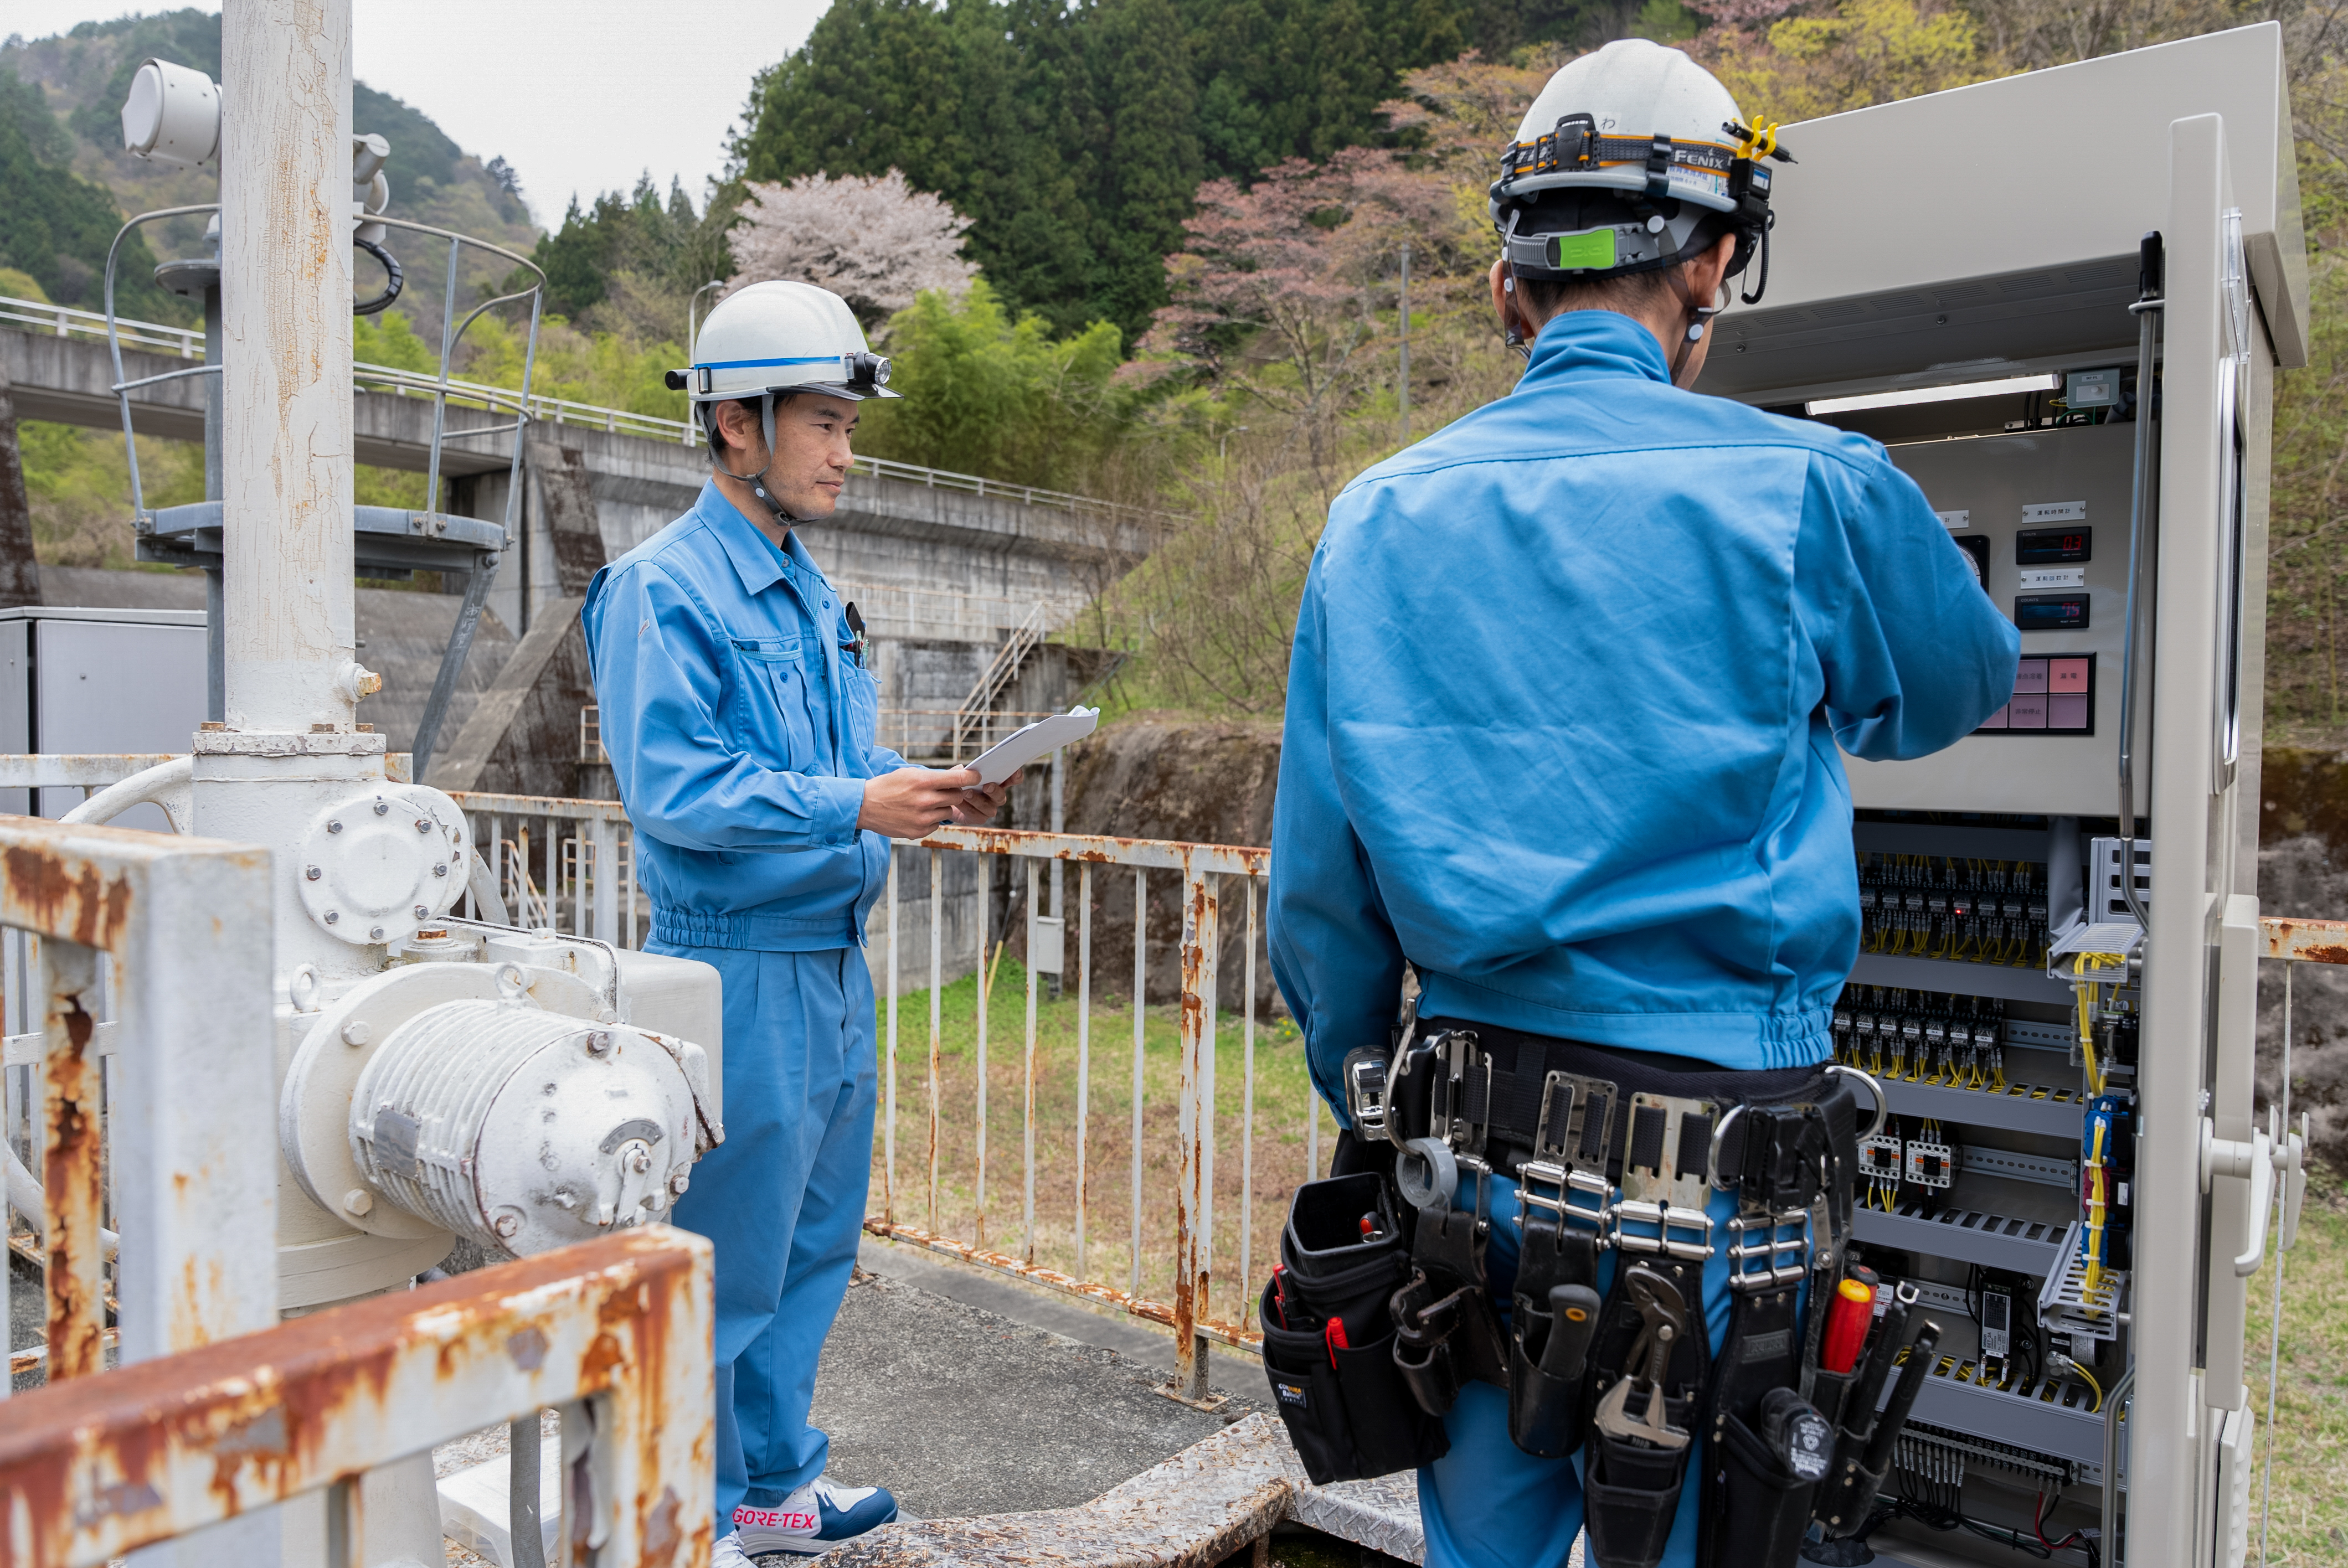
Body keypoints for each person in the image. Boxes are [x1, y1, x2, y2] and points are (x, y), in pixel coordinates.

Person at [1266, 38, 2019, 1568]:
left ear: (1506, 287)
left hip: (1468, 1193)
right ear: (1720, 266)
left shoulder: (1375, 521)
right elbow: (1961, 683)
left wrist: (1367, 1088)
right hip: (1729, 1219)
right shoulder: (1820, 493)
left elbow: (1321, 908)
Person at [584, 280, 1013, 1564]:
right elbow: (678, 788)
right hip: (730, 970)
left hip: (829, 965)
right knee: (724, 1258)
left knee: (814, 1245)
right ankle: (699, 1513)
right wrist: (853, 799)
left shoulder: (803, 587)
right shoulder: (662, 588)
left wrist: (910, 784)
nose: (843, 450)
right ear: (734, 425)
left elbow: (821, 759)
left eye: (845, 424)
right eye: (820, 423)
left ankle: (774, 1482)